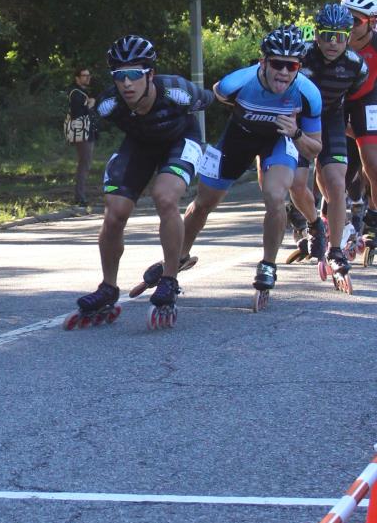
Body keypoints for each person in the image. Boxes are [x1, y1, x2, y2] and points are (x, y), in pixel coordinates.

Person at [70, 36, 213, 328]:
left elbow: (218, 98)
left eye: (134, 74)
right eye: (119, 76)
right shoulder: (109, 104)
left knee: (165, 196)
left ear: (150, 74)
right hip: (140, 145)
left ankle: (169, 279)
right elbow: (88, 121)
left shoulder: (178, 91)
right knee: (114, 212)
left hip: (181, 140)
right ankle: (108, 287)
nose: (126, 83)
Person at [180, 26, 322, 303]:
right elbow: (219, 94)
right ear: (263, 62)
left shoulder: (308, 94)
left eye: (291, 66)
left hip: (278, 141)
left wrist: (296, 133)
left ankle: (268, 264)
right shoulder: (236, 83)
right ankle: (180, 256)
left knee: (275, 196)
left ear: (299, 67)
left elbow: (315, 148)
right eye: (277, 64)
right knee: (203, 203)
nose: (284, 72)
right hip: (237, 139)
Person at [290, 3, 367, 281]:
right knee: (296, 184)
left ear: (348, 36)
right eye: (326, 35)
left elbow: (355, 98)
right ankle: (315, 225)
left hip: (331, 118)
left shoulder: (357, 66)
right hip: (299, 119)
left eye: (339, 36)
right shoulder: (300, 56)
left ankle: (335, 251)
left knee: (336, 183)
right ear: (316, 35)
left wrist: (355, 128)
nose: (332, 43)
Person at [340, 0, 377, 253]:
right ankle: (325, 221)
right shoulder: (333, 40)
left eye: (355, 20)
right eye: (345, 18)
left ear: (371, 22)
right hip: (337, 100)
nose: (348, 25)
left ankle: (373, 218)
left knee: (373, 164)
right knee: (335, 168)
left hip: (368, 100)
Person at [66, 66, 97, 208]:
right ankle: (80, 198)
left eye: (88, 75)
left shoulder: (81, 92)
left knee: (85, 163)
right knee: (84, 164)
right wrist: (90, 105)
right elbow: (76, 114)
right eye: (84, 75)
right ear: (77, 78)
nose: (88, 78)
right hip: (82, 133)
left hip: (86, 132)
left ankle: (81, 196)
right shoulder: (76, 93)